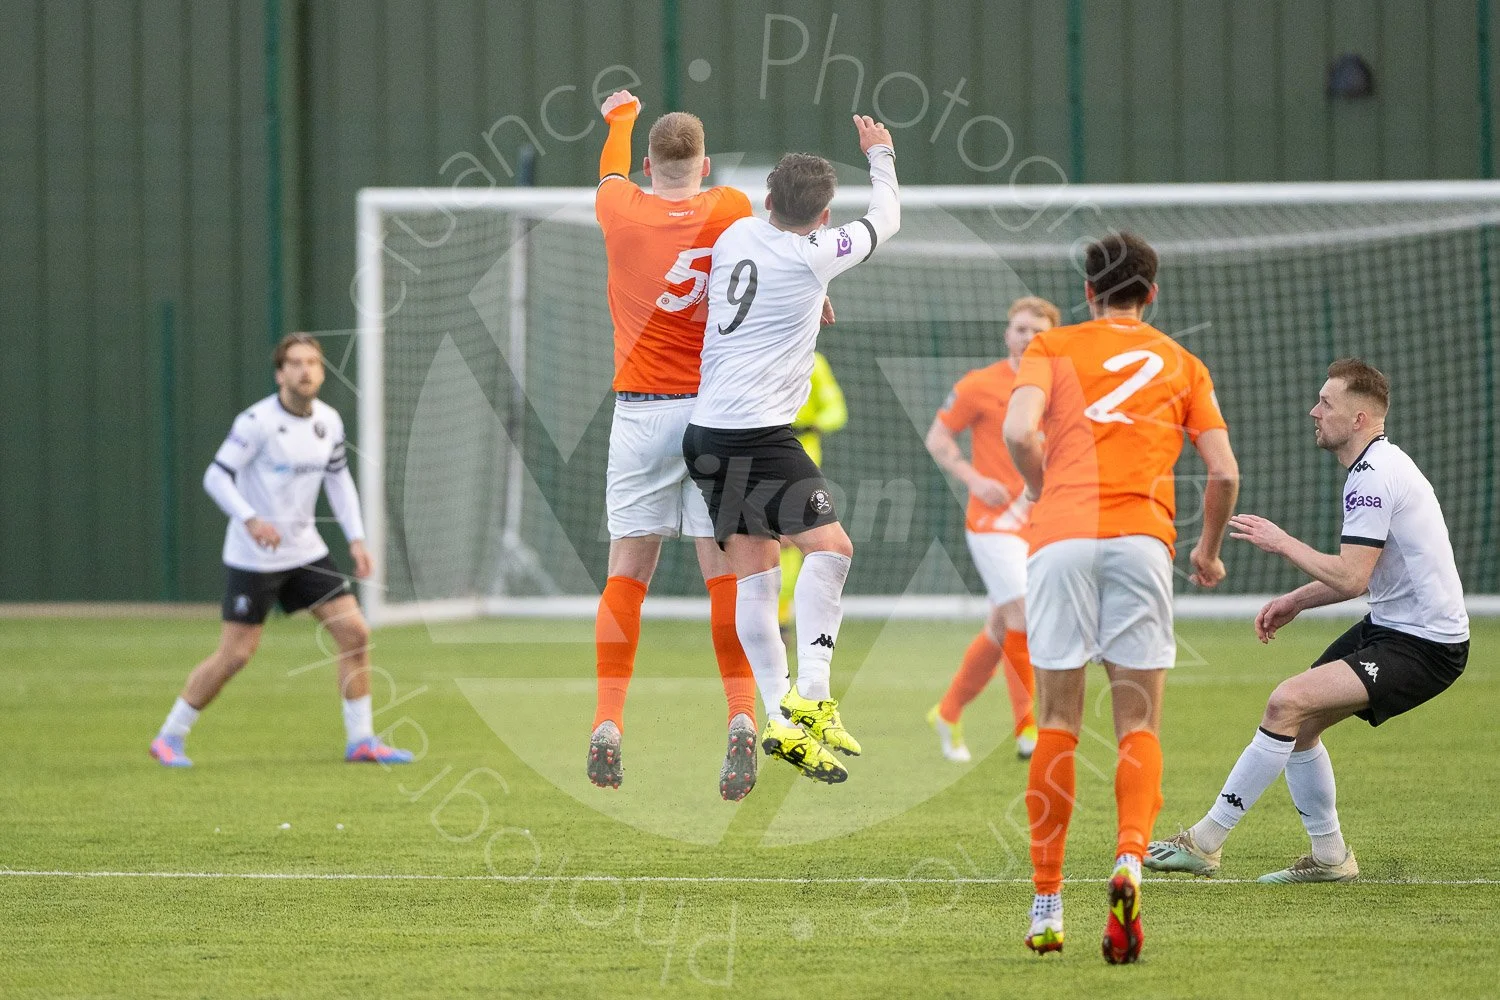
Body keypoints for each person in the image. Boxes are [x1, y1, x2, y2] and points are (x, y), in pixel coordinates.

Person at [1002, 232, 1240, 962]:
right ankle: (1131, 860)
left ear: (1087, 290)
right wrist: (1206, 551)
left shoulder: (1054, 347)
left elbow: (1018, 430)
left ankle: (1047, 905)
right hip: (1142, 540)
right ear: (1152, 294)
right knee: (1138, 722)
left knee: (1057, 720)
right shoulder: (1183, 362)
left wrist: (1047, 494)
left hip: (1061, 540)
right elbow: (1224, 474)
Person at [1147, 359, 1469, 884]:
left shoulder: (1374, 477)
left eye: (1326, 403)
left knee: (1286, 702)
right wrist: (1296, 600)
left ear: (1360, 418)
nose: (1313, 412)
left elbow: (1350, 577)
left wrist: (1281, 542)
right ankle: (1330, 859)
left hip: (1426, 644)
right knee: (1299, 725)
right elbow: (1364, 578)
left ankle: (1205, 843)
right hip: (1393, 626)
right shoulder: (1375, 467)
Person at [683, 115, 900, 783]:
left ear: (768, 198)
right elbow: (886, 216)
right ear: (824, 215)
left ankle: (782, 718)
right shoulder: (817, 251)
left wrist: (815, 301)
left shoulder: (735, 232)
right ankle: (814, 696)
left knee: (757, 574)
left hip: (705, 432)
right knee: (832, 551)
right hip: (759, 433)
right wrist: (881, 155)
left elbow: (757, 290)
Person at [587, 91, 763, 801]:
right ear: (705, 163)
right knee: (726, 572)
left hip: (640, 415)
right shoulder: (731, 209)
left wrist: (620, 118)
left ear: (650, 165)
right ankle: (743, 715)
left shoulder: (618, 208)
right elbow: (776, 262)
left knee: (629, 569)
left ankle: (606, 722)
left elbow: (608, 173)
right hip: (714, 413)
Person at [149, 334, 412, 768]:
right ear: (279, 373)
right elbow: (216, 477)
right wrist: (251, 519)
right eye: (294, 363)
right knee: (235, 656)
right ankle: (169, 736)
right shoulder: (256, 422)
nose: (304, 370)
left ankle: (362, 740)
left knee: (355, 634)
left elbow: (338, 482)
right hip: (255, 557)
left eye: (312, 362)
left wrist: (357, 538)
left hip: (305, 550)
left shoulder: (328, 421)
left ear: (322, 372)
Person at [925, 296, 1059, 763]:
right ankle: (1028, 731)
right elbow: (938, 439)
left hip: (1040, 520)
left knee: (1001, 626)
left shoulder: (1060, 387)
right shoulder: (980, 384)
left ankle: (947, 711)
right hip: (992, 523)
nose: (1028, 337)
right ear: (1008, 333)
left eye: (1038, 331)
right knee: (1023, 613)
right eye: (1020, 329)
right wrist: (974, 479)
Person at [778, 352, 848, 635]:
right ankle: (761, 616)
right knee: (759, 540)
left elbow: (836, 409)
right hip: (758, 455)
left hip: (803, 461)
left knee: (792, 542)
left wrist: (818, 423)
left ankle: (781, 619)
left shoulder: (814, 362)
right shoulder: (759, 354)